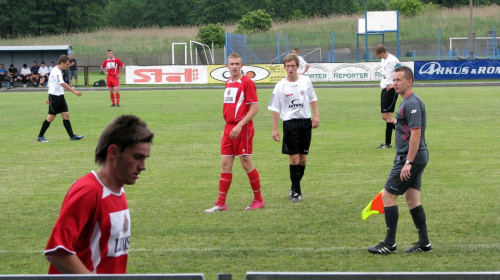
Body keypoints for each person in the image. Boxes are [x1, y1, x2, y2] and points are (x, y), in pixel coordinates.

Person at [45, 114, 154, 274]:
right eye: (137, 157)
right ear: (114, 152)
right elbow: (57, 251)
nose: (143, 166)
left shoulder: (118, 190)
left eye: (145, 159)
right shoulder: (89, 192)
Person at [367, 66, 431, 254]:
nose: (394, 83)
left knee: (388, 196)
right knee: (412, 198)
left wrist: (408, 163)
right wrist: (393, 121)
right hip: (416, 157)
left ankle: (389, 243)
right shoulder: (407, 102)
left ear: (409, 82)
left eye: (398, 80)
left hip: (410, 158)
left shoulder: (411, 103)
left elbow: (416, 134)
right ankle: (424, 243)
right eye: (393, 80)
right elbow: (406, 126)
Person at [204, 52, 265, 213]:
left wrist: (239, 125)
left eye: (237, 64)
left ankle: (258, 199)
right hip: (229, 128)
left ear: (242, 65)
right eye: (232, 64)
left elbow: (255, 108)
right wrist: (226, 130)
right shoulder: (228, 83)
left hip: (243, 128)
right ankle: (220, 203)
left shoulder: (247, 83)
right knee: (225, 164)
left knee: (246, 163)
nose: (235, 66)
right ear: (227, 66)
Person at [268, 54, 319, 202]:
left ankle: (293, 186)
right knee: (294, 158)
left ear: (298, 66)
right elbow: (275, 108)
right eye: (287, 66)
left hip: (305, 122)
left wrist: (316, 115)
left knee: (303, 159)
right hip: (290, 124)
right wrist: (275, 128)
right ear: (284, 67)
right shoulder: (280, 86)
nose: (290, 69)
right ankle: (297, 192)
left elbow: (313, 98)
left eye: (293, 66)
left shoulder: (306, 81)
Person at [36, 55, 84, 143]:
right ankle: (40, 136)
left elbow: (52, 84)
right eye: (67, 64)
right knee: (51, 117)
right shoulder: (56, 71)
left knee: (66, 115)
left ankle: (72, 136)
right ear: (61, 63)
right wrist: (74, 91)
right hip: (55, 97)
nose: (68, 66)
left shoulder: (59, 70)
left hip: (60, 96)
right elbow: (62, 83)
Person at [374, 44, 401, 149]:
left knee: (389, 117)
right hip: (384, 89)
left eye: (376, 54)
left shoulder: (393, 60)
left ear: (381, 53)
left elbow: (401, 71)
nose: (376, 56)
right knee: (384, 117)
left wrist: (394, 84)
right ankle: (404, 132)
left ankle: (388, 143)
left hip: (391, 91)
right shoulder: (383, 60)